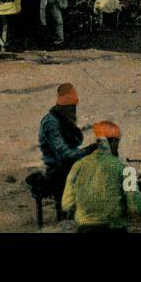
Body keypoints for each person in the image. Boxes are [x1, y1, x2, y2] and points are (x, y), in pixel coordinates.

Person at [60, 120, 141, 233]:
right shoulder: (125, 168)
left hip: (85, 229)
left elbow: (67, 205)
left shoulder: (77, 166)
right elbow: (135, 207)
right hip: (114, 229)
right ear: (114, 142)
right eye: (118, 143)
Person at [38, 83, 97, 215]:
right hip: (57, 169)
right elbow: (64, 154)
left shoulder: (63, 120)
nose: (74, 112)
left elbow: (75, 142)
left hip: (68, 165)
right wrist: (88, 150)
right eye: (72, 109)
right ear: (65, 108)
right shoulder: (51, 123)